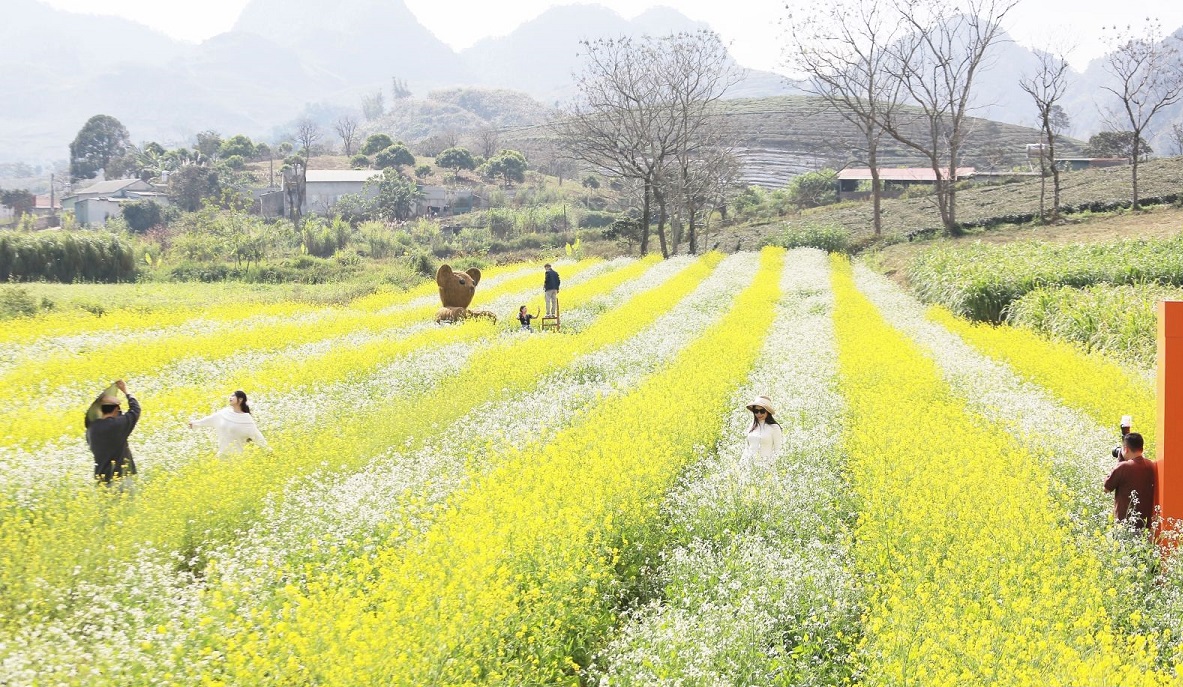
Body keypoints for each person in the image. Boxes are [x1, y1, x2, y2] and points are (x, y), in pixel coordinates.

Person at [86, 379, 140, 484]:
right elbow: (135, 410)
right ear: (115, 410)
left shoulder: (91, 430)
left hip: (102, 481)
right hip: (122, 479)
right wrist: (126, 391)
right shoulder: (117, 425)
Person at [189, 390, 269, 455]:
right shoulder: (224, 413)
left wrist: (268, 451)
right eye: (230, 396)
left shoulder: (246, 419)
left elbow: (257, 436)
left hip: (237, 459)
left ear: (240, 399)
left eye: (233, 396)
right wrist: (195, 423)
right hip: (221, 455)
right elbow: (210, 419)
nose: (230, 397)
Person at [1104, 432, 1156, 529]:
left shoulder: (1123, 466)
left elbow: (1106, 488)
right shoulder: (1151, 465)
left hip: (1125, 524)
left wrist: (1119, 462)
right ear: (1142, 448)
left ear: (1126, 449)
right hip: (1145, 524)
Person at [743, 395, 783, 462]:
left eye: (762, 411)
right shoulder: (751, 426)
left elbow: (778, 450)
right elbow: (746, 449)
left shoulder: (774, 427)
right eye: (756, 411)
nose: (759, 414)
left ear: (768, 412)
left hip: (766, 465)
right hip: (749, 465)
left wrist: (770, 464)